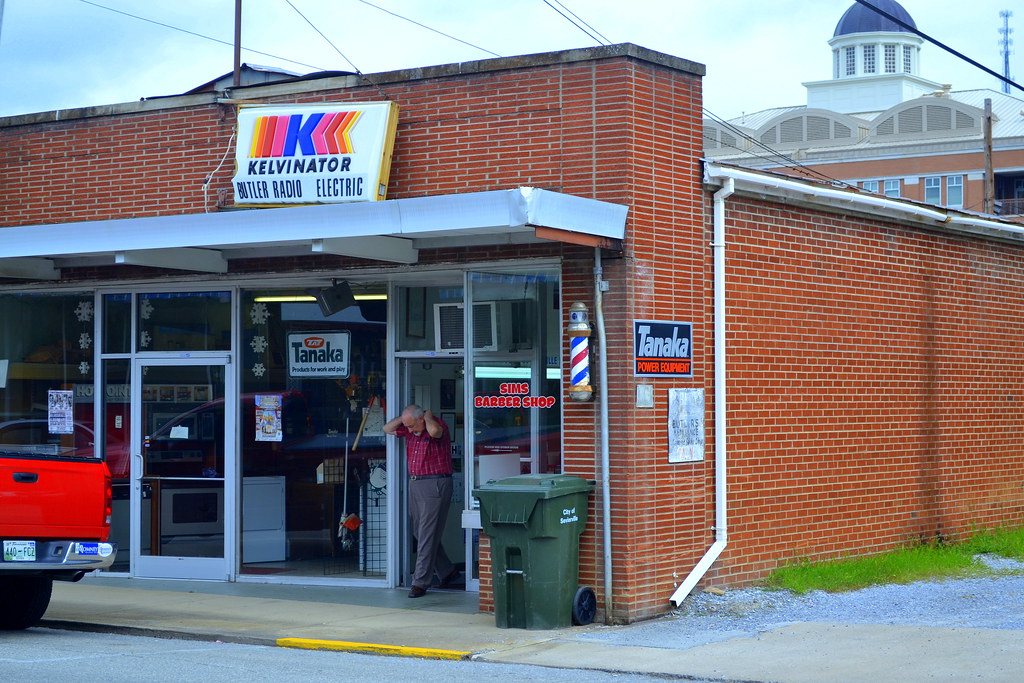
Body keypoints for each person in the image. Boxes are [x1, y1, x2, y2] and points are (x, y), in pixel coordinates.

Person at [383, 404, 460, 598]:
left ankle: (420, 582)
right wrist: (405, 419)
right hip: (416, 483)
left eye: (412, 425)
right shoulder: (410, 430)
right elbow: (387, 428)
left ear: (421, 419)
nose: (409, 430)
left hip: (434, 483)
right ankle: (447, 571)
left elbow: (434, 432)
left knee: (426, 534)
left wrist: (428, 417)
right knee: (420, 532)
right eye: (407, 426)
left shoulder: (435, 426)